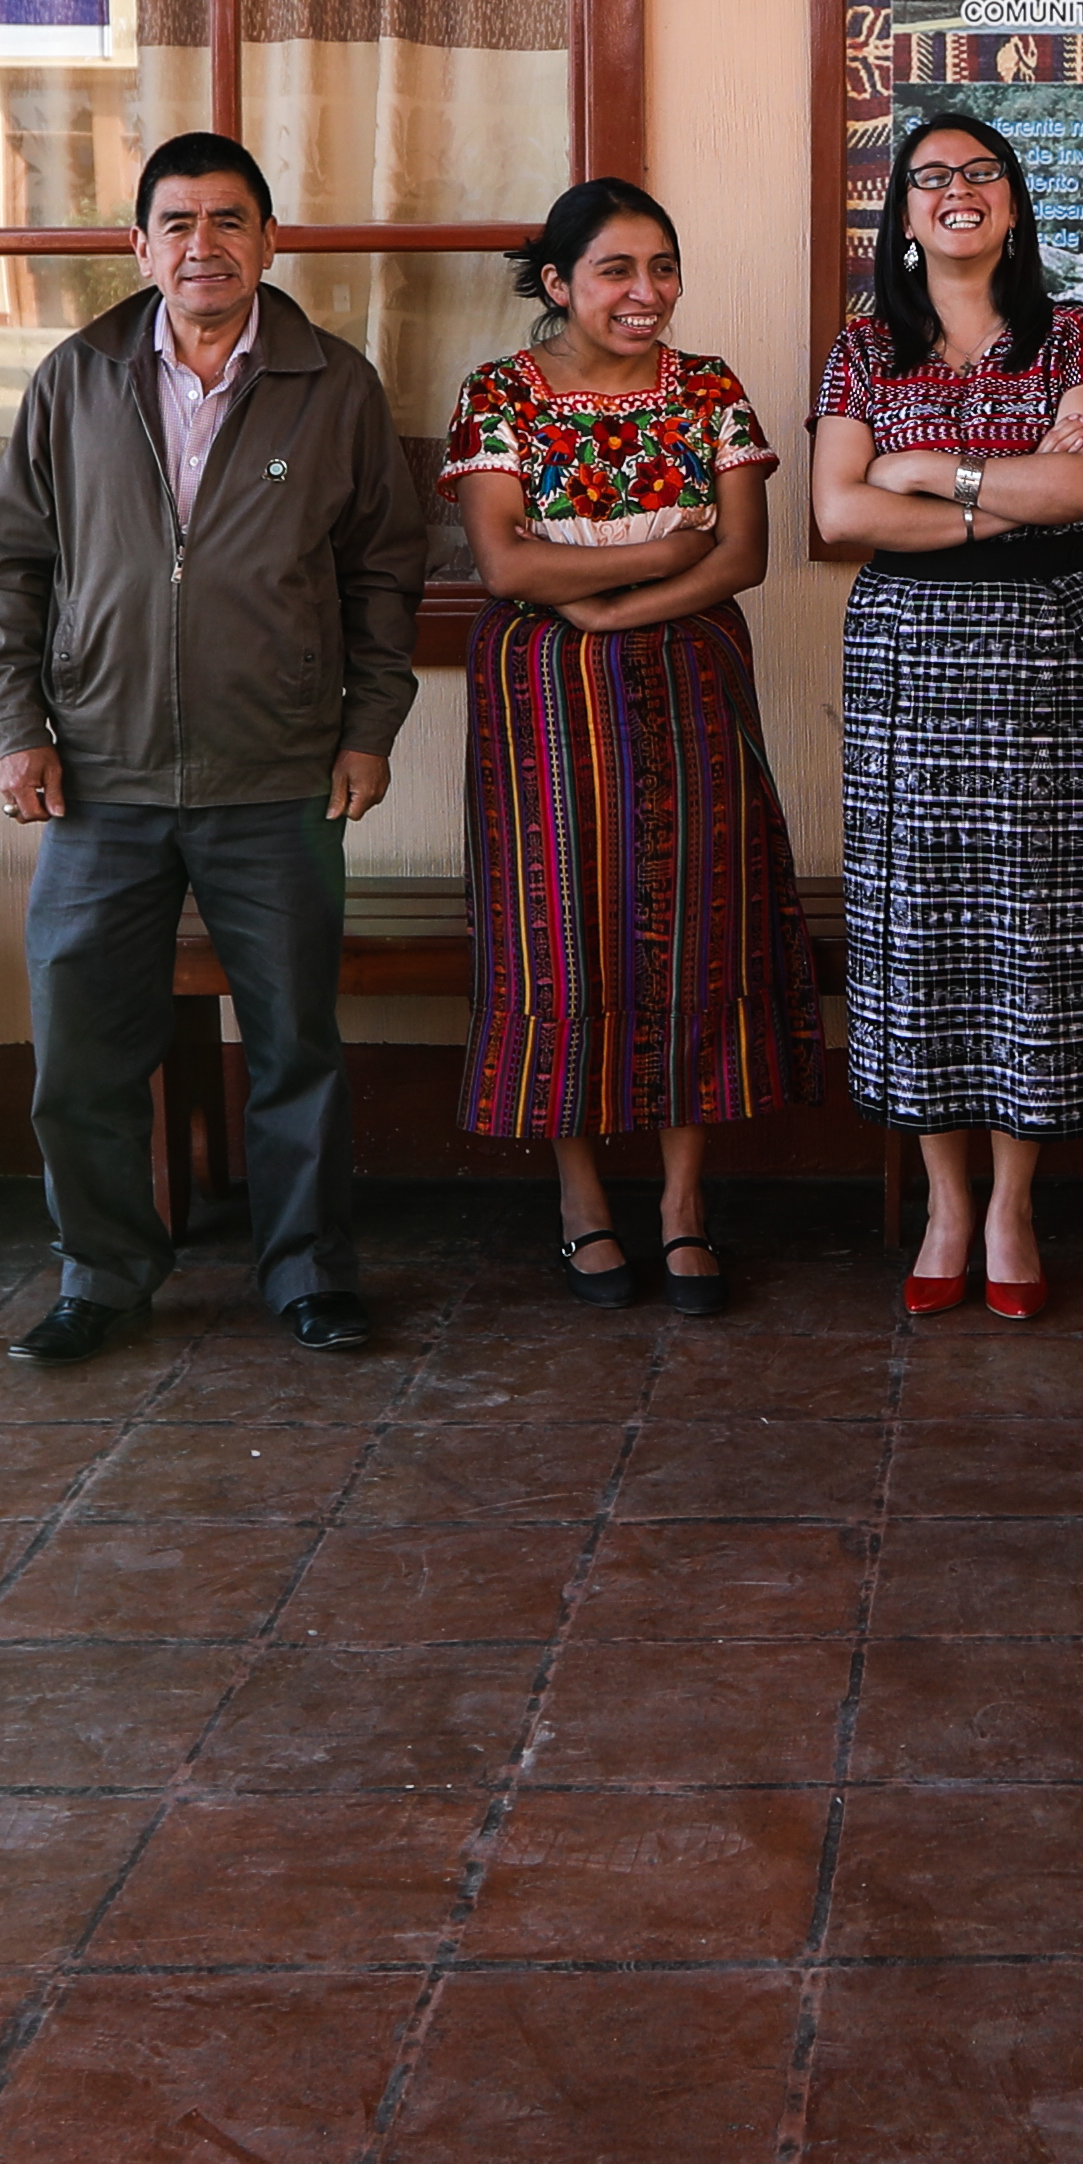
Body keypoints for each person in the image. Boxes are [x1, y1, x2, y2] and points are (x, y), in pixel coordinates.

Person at [0, 133, 430, 1362]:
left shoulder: (333, 383)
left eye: (229, 221)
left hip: (278, 774)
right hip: (100, 777)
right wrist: (19, 724)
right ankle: (105, 1272)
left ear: (270, 241)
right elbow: (15, 567)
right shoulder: (75, 377)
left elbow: (384, 576)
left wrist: (367, 730)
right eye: (176, 223)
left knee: (296, 1049)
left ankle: (308, 1275)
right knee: (79, 1049)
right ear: (139, 246)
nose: (203, 246)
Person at [448, 174, 815, 1311]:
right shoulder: (499, 392)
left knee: (699, 922)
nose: (645, 290)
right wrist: (659, 558)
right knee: (559, 930)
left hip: (691, 683)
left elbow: (743, 555)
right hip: (541, 697)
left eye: (662, 267)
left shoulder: (708, 389)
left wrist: (603, 597)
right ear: (559, 283)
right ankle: (582, 1201)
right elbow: (507, 566)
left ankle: (685, 1205)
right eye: (616, 269)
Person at [809, 108, 1083, 1316]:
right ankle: (945, 1204)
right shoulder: (862, 350)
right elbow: (839, 517)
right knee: (922, 931)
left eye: (981, 174)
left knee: (1035, 933)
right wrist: (1006, 498)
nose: (958, 191)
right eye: (932, 178)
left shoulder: (1075, 336)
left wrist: (928, 473)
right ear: (902, 214)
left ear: (1011, 204)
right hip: (907, 666)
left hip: (1047, 664)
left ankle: (1013, 1205)